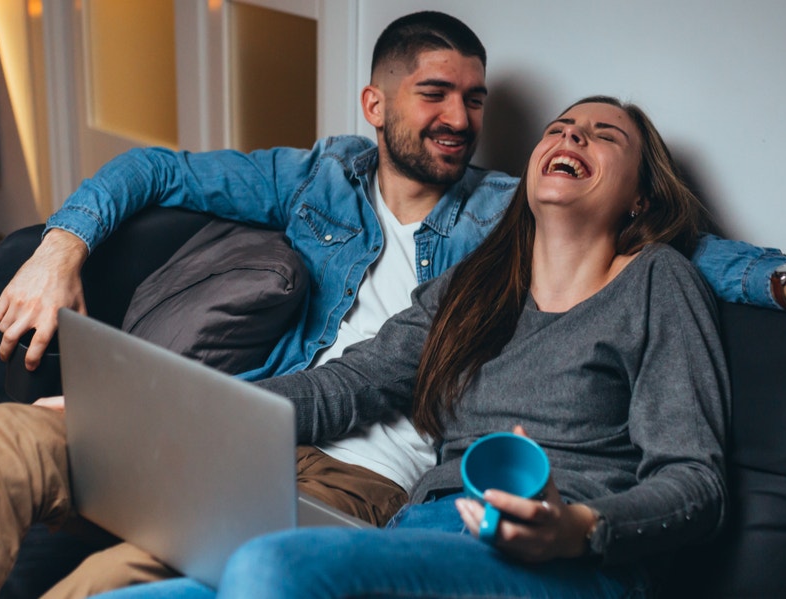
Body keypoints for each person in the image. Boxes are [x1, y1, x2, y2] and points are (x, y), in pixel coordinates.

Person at [0, 11, 786, 599]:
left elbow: (692, 255)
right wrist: (62, 246)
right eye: (434, 96)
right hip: (260, 431)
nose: (462, 120)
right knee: (4, 433)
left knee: (132, 580)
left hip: (368, 488)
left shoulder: (517, 225)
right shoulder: (343, 193)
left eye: (477, 101)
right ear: (377, 106)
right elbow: (166, 178)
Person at [92, 95, 727, 599]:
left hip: (570, 560)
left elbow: (695, 481)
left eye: (603, 135)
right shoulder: (476, 285)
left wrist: (579, 530)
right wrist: (178, 412)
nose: (571, 137)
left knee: (268, 565)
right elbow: (350, 383)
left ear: (641, 196)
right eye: (558, 129)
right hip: (425, 534)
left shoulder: (658, 280)